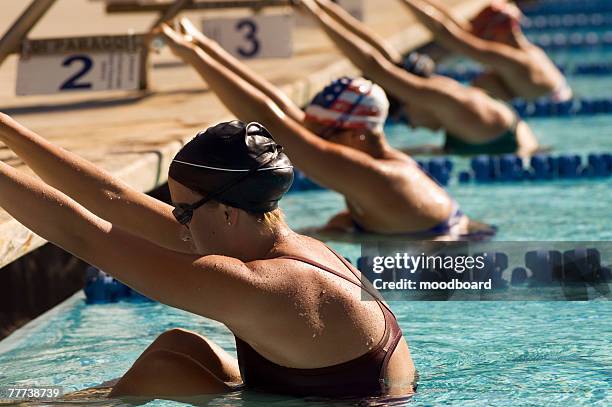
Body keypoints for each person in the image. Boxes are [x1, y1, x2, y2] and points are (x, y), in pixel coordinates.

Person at [0, 113, 417, 400]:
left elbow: (85, 237)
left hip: (341, 403)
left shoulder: (260, 285)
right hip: (322, 393)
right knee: (179, 348)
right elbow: (116, 199)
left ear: (228, 212)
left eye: (183, 211)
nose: (178, 222)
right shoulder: (278, 244)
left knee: (163, 372)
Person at [158, 20, 494, 238]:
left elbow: (272, 120)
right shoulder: (364, 152)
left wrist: (191, 55)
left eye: (323, 133)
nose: (312, 139)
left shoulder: (381, 177)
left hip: (451, 265)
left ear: (358, 132)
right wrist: (200, 45)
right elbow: (279, 108)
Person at [296, 0, 540, 156]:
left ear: (412, 97)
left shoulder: (447, 99)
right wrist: (320, 7)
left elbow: (373, 66)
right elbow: (383, 56)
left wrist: (316, 14)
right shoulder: (447, 100)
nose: (411, 126)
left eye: (403, 118)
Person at [398, 0, 572, 102]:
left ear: (498, 32)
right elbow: (462, 31)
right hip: (554, 105)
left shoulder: (512, 59)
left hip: (545, 111)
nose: (485, 40)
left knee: (484, 82)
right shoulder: (530, 51)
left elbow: (451, 37)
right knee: (486, 81)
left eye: (487, 35)